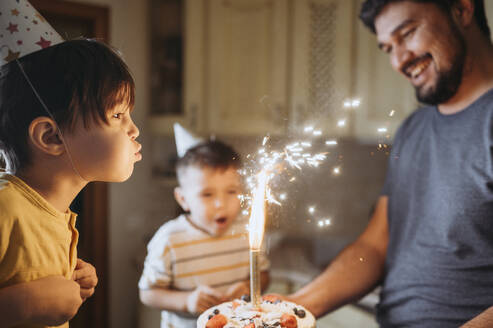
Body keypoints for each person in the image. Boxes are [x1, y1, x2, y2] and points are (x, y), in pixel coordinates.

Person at [278, 0, 493, 327]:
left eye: (407, 34)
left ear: (462, 9)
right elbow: (375, 246)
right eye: (388, 48)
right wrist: (296, 305)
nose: (399, 60)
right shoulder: (412, 130)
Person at [0, 1, 141, 327]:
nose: (134, 129)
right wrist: (19, 305)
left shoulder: (51, 213)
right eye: (118, 115)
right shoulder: (6, 206)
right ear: (51, 137)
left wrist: (67, 277)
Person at [139, 140, 270, 328]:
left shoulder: (248, 230)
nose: (220, 204)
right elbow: (148, 294)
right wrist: (187, 301)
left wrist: (249, 287)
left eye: (231, 191)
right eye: (207, 194)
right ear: (183, 199)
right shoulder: (169, 239)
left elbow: (264, 274)